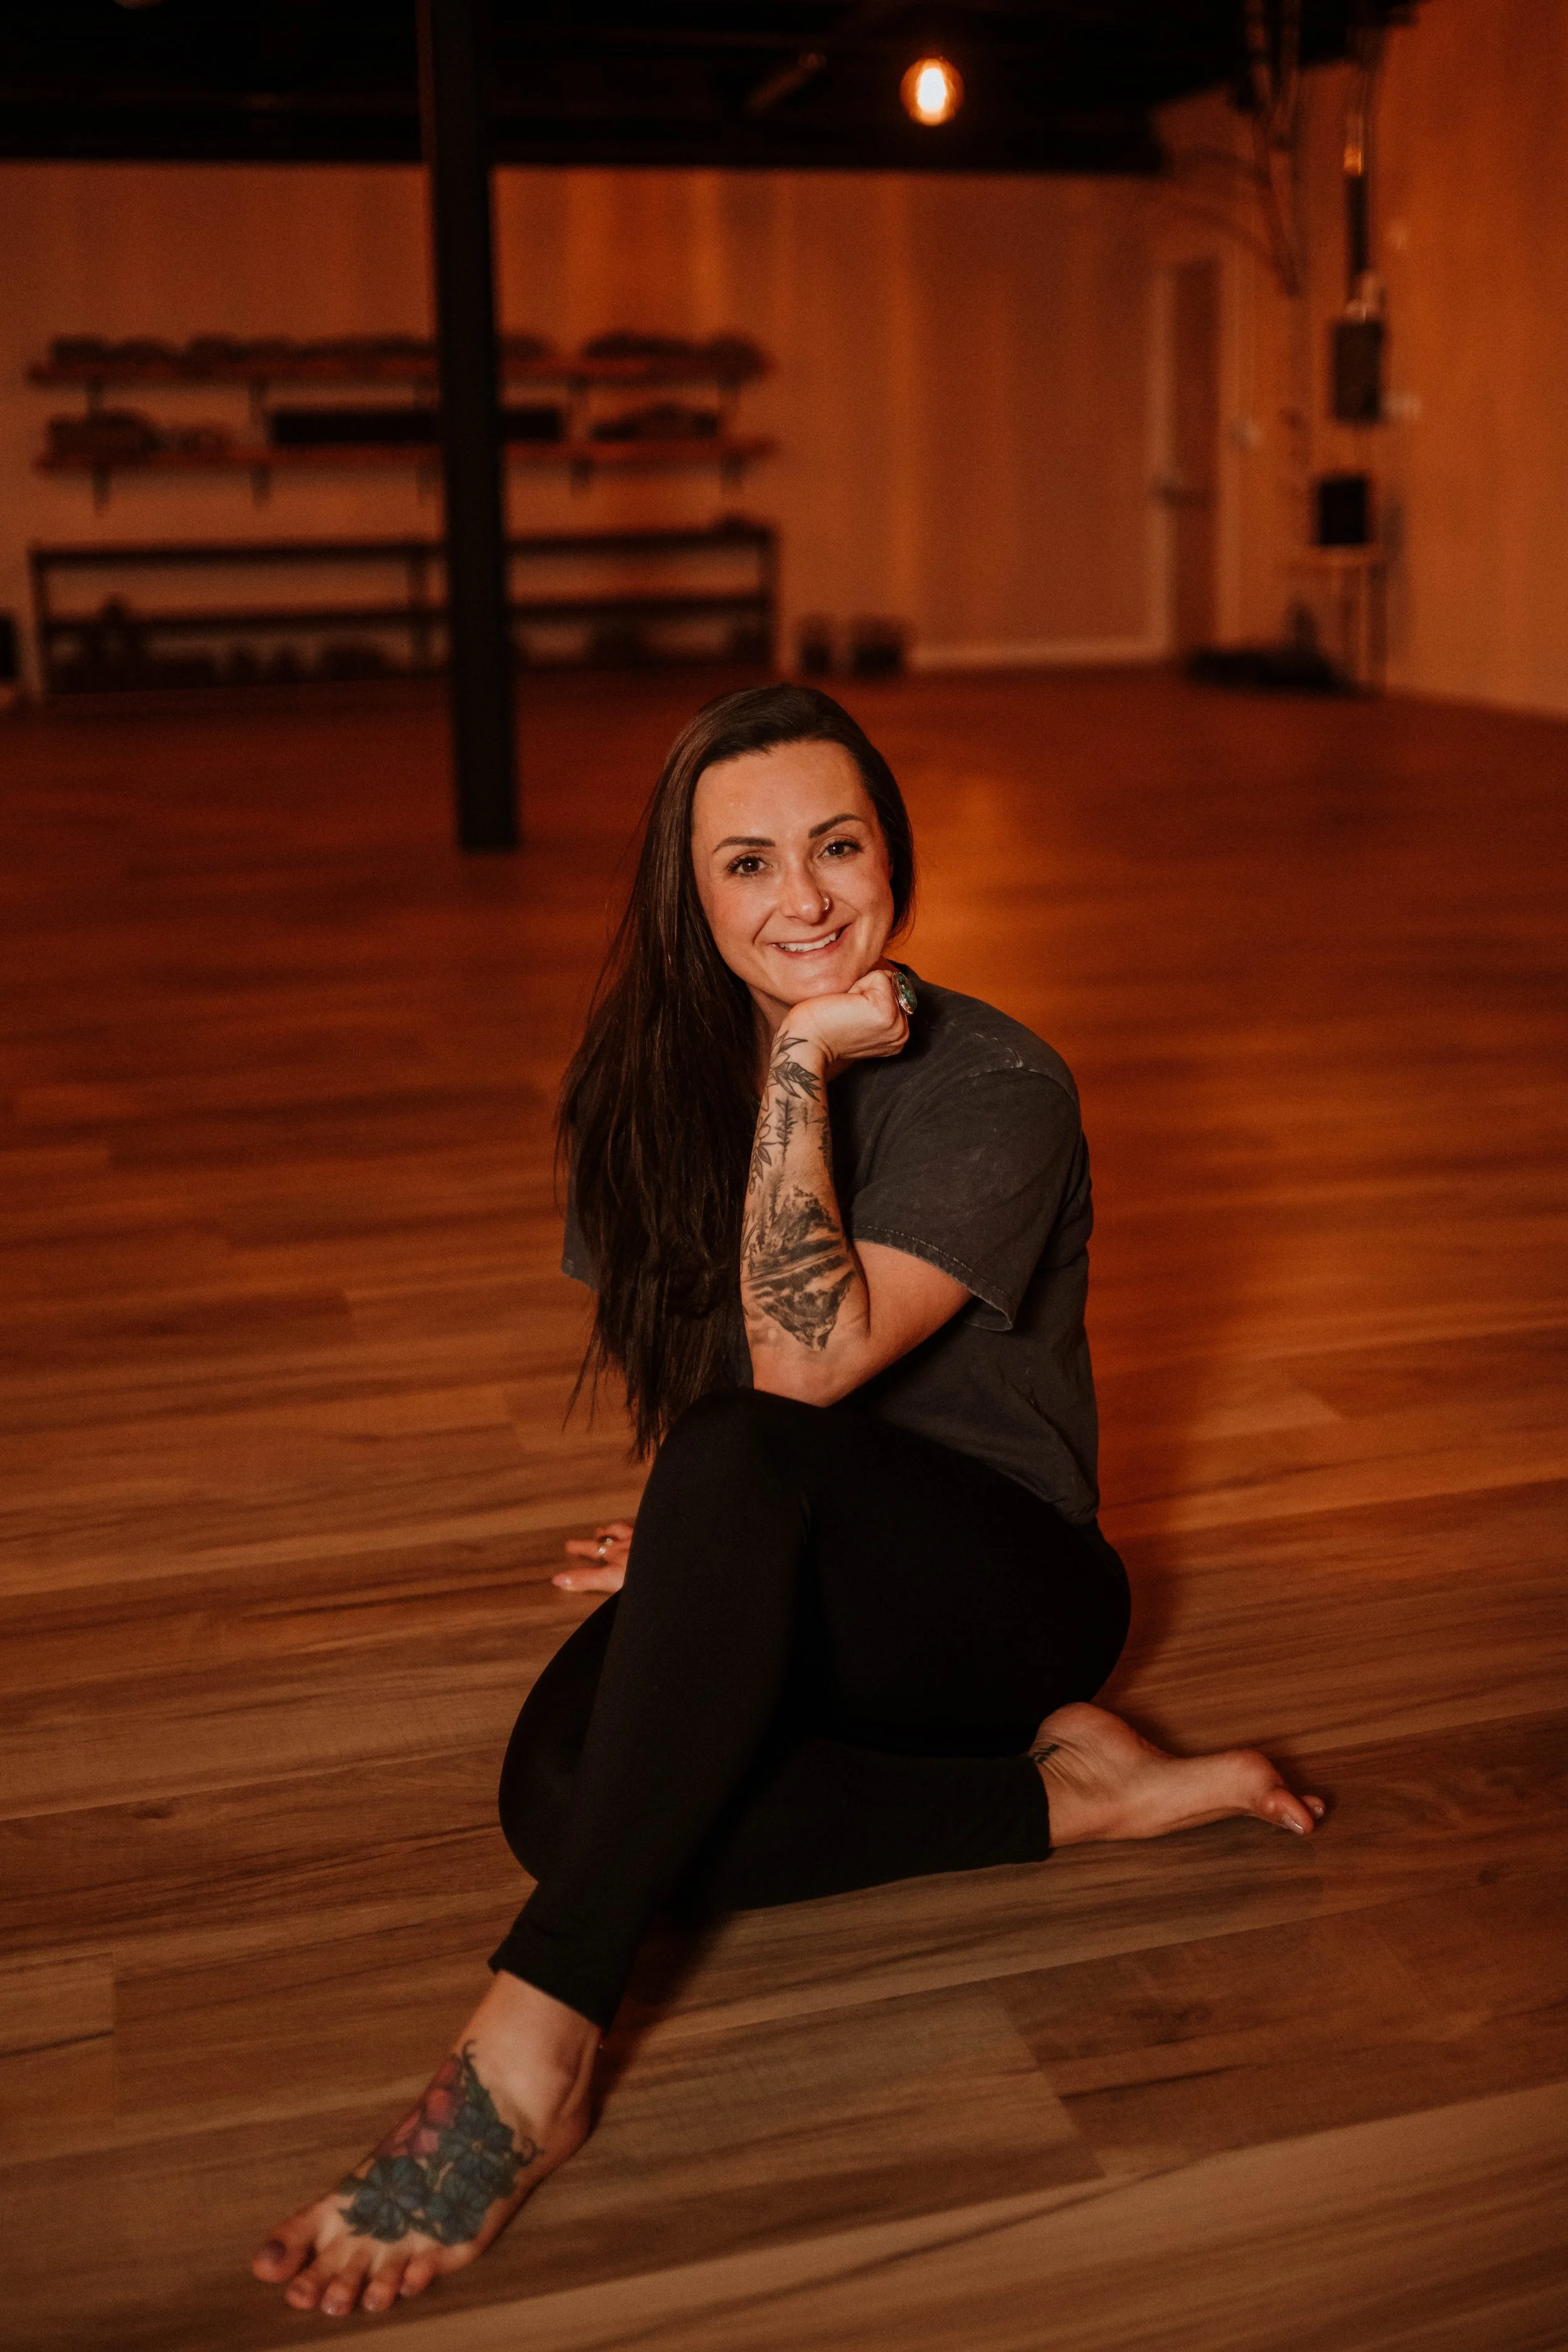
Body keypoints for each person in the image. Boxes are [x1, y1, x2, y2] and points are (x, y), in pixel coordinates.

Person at [253, 684, 1323, 2319]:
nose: (803, 897)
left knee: (727, 1498)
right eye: (746, 863)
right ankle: (1069, 1803)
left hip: (1008, 1585)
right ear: (688, 896)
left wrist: (807, 1061)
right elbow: (720, 1393)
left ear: (895, 854)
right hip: (803, 1522)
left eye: (837, 845)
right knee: (557, 1792)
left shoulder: (1000, 1082)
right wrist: (710, 1551)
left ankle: (534, 2040)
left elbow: (800, 1373)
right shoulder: (631, 1091)